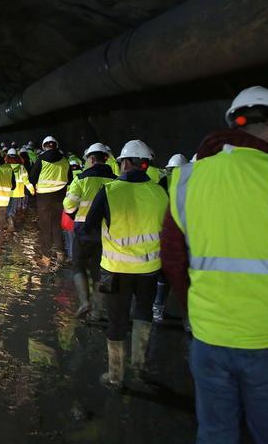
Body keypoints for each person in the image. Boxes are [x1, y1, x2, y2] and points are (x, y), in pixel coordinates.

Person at [161, 86, 268, 444]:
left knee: (215, 433)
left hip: (210, 336)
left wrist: (191, 311)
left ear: (235, 127)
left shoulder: (187, 179)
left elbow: (173, 259)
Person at [80, 139, 168, 388]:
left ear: (126, 162)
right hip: (149, 270)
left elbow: (88, 228)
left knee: (117, 321)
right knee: (143, 314)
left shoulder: (110, 191)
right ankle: (139, 367)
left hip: (116, 270)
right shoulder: (160, 192)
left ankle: (116, 376)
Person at [66, 143, 116, 319]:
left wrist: (75, 215)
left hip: (83, 231)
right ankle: (96, 311)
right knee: (98, 270)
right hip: (106, 234)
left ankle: (84, 302)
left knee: (78, 265)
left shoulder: (81, 179)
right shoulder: (116, 180)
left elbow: (69, 205)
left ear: (92, 158)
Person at [150, 153, 189, 323]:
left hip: (166, 231)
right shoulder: (191, 182)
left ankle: (157, 310)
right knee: (187, 277)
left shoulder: (162, 182)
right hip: (187, 232)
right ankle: (188, 319)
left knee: (163, 275)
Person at [28, 135, 73, 265]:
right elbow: (69, 179)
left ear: (44, 146)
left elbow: (32, 178)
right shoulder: (65, 161)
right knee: (57, 225)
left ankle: (46, 257)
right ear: (55, 145)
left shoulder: (40, 160)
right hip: (60, 198)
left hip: (44, 199)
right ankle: (60, 253)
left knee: (45, 227)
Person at [5, 148, 33, 230]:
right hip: (17, 192)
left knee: (7, 206)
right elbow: (26, 180)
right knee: (13, 208)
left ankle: (7, 220)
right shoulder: (21, 167)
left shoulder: (5, 166)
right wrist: (31, 189)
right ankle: (11, 218)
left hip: (6, 191)